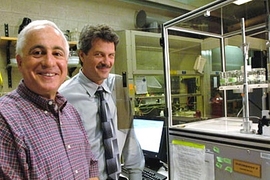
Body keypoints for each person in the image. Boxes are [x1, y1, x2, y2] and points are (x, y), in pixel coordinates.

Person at [0, 20, 99, 180]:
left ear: (65, 62)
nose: (49, 62)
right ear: (20, 62)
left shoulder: (70, 111)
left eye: (57, 53)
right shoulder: (5, 120)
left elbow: (91, 164)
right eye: (38, 52)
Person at [59, 24, 145, 180]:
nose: (107, 62)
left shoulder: (118, 86)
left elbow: (129, 136)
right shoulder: (64, 96)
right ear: (82, 55)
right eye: (99, 54)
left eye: (111, 55)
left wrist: (135, 174)